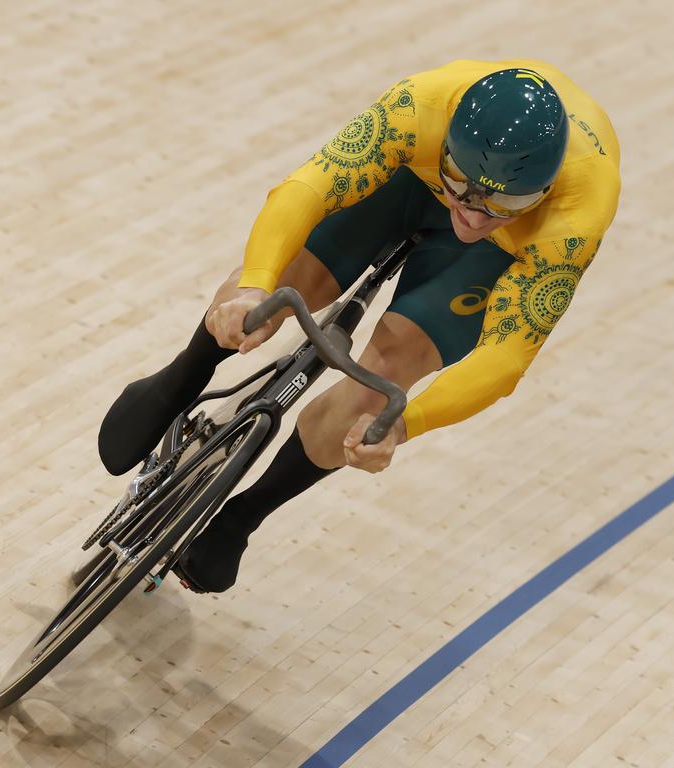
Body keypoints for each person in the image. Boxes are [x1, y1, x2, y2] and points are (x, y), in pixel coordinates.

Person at [98, 59, 621, 593]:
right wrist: (256, 283)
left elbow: (504, 359)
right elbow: (304, 190)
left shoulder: (577, 213)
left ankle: (242, 517)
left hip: (500, 253)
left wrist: (403, 425)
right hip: (414, 180)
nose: (475, 213)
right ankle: (183, 375)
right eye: (463, 185)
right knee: (287, 282)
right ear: (447, 148)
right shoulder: (419, 109)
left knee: (386, 377)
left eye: (506, 201)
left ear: (545, 190)